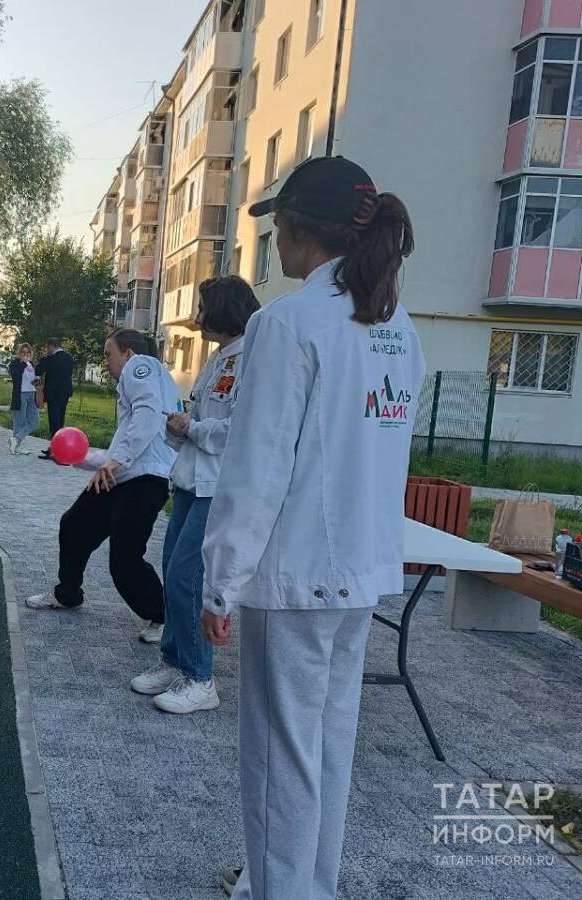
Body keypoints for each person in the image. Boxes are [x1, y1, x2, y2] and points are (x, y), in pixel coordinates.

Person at [203, 157, 424, 900]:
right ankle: (308, 886)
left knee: (279, 761)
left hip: (294, 575)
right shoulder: (396, 327)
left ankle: (282, 891)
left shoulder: (287, 323)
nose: (275, 242)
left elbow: (256, 468)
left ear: (298, 231)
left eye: (276, 228)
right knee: (327, 749)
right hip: (358, 571)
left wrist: (221, 580)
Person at [130, 276, 259, 714]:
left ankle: (201, 678)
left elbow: (240, 429)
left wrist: (193, 428)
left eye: (203, 309)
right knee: (173, 570)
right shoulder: (217, 358)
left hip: (217, 487)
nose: (197, 317)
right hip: (189, 480)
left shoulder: (252, 360)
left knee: (188, 577)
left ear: (225, 310)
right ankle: (174, 660)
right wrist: (180, 426)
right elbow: (198, 414)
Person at [25, 329, 177, 643]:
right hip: (124, 474)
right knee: (74, 525)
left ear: (128, 353)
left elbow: (148, 416)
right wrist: (76, 458)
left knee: (124, 558)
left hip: (147, 480)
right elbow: (124, 443)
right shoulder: (139, 385)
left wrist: (114, 462)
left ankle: (163, 616)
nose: (105, 362)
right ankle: (68, 594)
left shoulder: (141, 366)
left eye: (109, 354)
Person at [35, 338, 74, 460]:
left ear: (52, 346)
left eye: (47, 347)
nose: (47, 350)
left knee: (54, 422)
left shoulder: (50, 359)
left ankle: (55, 451)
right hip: (65, 393)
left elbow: (38, 371)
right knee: (60, 420)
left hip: (53, 394)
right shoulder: (69, 358)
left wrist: (44, 358)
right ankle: (55, 448)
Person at [7, 343, 39, 455]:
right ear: (19, 353)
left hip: (32, 394)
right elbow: (15, 376)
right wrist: (23, 363)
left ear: (31, 353)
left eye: (28, 352)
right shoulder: (15, 363)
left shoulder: (32, 364)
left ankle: (16, 439)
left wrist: (38, 381)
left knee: (34, 421)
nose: (25, 354)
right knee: (19, 422)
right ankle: (16, 447)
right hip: (21, 395)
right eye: (23, 352)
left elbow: (34, 380)